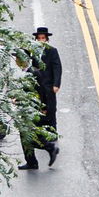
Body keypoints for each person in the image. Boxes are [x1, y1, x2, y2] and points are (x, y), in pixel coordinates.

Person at [19, 27, 61, 169]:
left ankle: (50, 143)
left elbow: (57, 67)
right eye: (39, 38)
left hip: (46, 87)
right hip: (35, 99)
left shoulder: (51, 52)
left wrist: (56, 83)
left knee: (48, 115)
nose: (41, 40)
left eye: (43, 38)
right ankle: (36, 157)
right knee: (28, 133)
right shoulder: (32, 58)